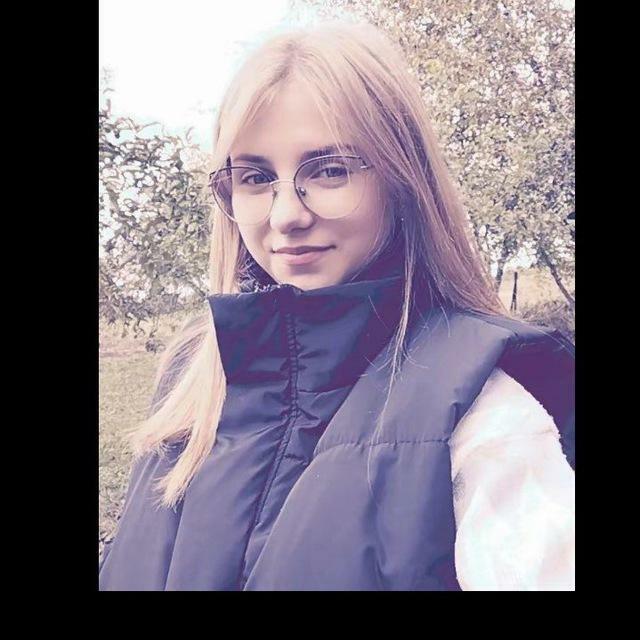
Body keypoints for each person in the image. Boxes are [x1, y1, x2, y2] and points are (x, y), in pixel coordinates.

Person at [99, 20, 575, 591]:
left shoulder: (486, 409)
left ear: (403, 178)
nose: (285, 216)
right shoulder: (193, 374)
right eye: (255, 177)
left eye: (329, 170)